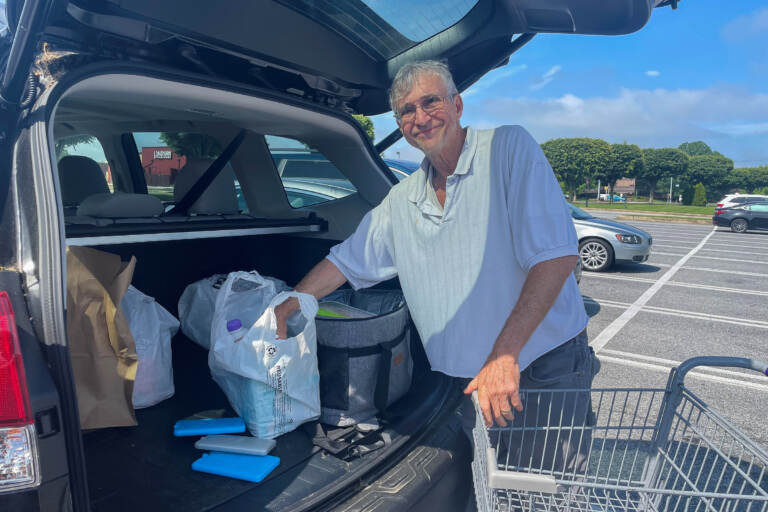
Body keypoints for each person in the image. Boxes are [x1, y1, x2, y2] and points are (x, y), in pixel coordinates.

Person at [275, 60, 598, 499]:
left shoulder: (506, 148)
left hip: (537, 367)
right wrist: (289, 304)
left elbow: (554, 258)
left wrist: (505, 356)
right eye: (406, 111)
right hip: (468, 383)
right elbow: (346, 263)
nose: (420, 117)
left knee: (547, 494)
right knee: (492, 492)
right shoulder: (402, 199)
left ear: (458, 103)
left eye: (430, 101)